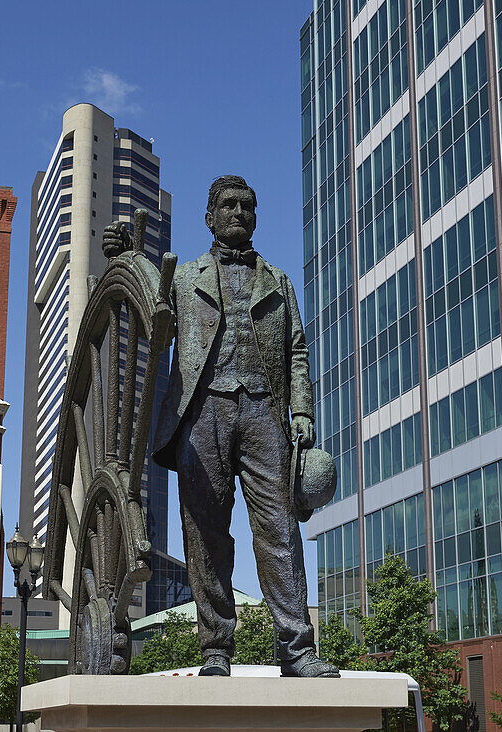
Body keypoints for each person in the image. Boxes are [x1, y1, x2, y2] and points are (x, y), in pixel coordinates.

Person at [106, 175, 338, 678]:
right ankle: (216, 648)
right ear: (209, 217)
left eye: (247, 206)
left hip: (263, 412)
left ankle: (296, 650)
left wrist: (302, 413)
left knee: (278, 531)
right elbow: (147, 286)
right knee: (205, 532)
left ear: (255, 217)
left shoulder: (278, 283)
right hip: (202, 412)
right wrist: (126, 251)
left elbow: (296, 350)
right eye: (228, 205)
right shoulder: (187, 277)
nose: (238, 212)